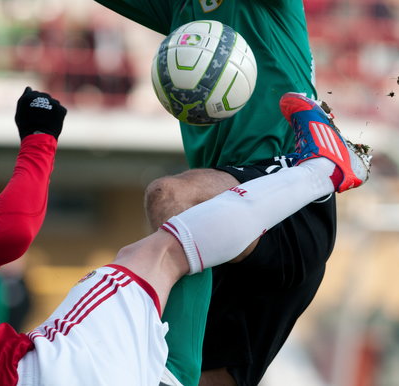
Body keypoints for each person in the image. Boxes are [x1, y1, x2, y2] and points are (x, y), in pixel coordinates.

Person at [0, 88, 368, 385]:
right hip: (41, 377)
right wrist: (40, 138)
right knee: (159, 252)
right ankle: (322, 166)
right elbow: (8, 233)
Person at [93, 1, 334, 385]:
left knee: (171, 197)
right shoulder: (180, 8)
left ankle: (172, 368)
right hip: (229, 231)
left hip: (288, 188)